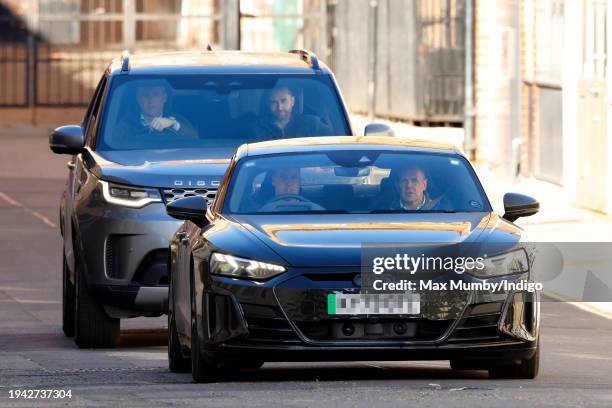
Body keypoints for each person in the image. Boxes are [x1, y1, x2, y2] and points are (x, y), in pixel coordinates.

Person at [116, 82, 197, 141]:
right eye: (145, 95)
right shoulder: (126, 124)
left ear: (164, 98)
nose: (150, 100)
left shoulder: (176, 119)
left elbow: (195, 138)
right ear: (138, 99)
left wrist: (173, 124)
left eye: (155, 94)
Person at [250, 86, 333, 139]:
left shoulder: (312, 124)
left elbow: (334, 144)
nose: (280, 107)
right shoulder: (256, 128)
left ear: (292, 101)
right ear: (268, 104)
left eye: (283, 101)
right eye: (273, 102)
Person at [256, 167, 325, 212]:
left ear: (299, 181)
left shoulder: (316, 212)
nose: (289, 183)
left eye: (293, 177)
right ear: (274, 181)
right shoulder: (257, 212)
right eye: (283, 177)